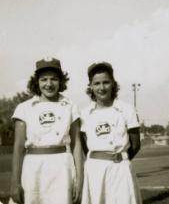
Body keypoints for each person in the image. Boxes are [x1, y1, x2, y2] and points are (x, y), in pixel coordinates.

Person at [10, 58, 83, 204]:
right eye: (44, 79)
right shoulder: (24, 108)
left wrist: (80, 180)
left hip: (62, 167)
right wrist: (14, 182)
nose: (49, 84)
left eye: (54, 79)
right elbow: (18, 148)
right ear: (36, 81)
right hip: (33, 168)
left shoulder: (70, 106)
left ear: (61, 81)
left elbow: (76, 145)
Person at [80, 62, 142, 204]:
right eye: (96, 84)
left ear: (113, 83)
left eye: (106, 82)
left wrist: (119, 159)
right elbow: (85, 146)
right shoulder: (85, 113)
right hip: (95, 170)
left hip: (121, 169)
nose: (101, 88)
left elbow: (136, 144)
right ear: (90, 86)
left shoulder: (126, 109)